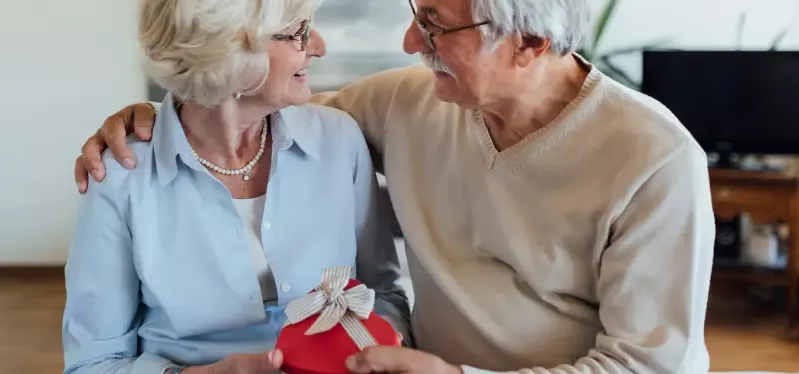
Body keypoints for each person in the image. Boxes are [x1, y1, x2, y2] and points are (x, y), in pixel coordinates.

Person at [73, 0, 718, 373]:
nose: (411, 42)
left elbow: (649, 368)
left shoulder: (654, 162)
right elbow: (243, 105)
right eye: (417, 11)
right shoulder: (403, 105)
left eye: (435, 23)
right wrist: (149, 117)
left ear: (529, 43)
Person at [61, 0, 412, 373]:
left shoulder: (338, 140)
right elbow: (93, 364)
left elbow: (383, 293)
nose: (319, 46)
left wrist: (376, 352)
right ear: (228, 50)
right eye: (298, 31)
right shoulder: (119, 179)